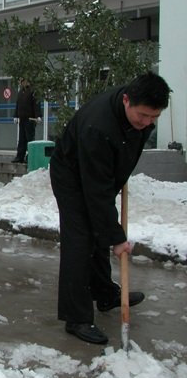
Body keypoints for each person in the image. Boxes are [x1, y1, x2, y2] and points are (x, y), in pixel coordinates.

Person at [49, 71, 171, 345]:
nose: (147, 123)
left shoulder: (139, 114)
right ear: (126, 100)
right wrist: (116, 238)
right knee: (80, 240)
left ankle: (105, 294)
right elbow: (96, 193)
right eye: (143, 116)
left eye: (154, 118)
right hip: (72, 176)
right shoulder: (98, 127)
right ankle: (76, 317)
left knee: (98, 232)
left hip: (100, 173)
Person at [12, 78, 41, 163]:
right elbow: (18, 104)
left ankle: (30, 157)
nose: (21, 83)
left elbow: (36, 104)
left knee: (30, 139)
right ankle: (20, 156)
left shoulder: (33, 91)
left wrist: (38, 115)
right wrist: (16, 115)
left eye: (22, 81)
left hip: (30, 119)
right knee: (22, 138)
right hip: (22, 118)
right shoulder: (21, 92)